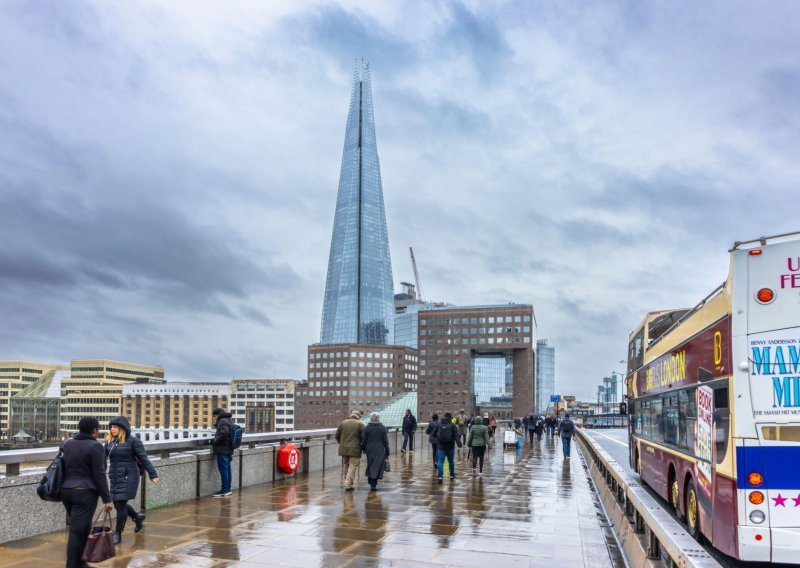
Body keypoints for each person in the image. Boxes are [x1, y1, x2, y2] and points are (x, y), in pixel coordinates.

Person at [60, 416, 113, 568]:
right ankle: (72, 565)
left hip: (66, 491)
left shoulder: (67, 443)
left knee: (82, 528)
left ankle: (81, 562)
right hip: (84, 493)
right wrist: (107, 499)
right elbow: (100, 474)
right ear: (94, 430)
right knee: (77, 530)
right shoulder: (95, 446)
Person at [105, 416, 159, 544]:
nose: (112, 429)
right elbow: (101, 458)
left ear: (122, 428)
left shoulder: (133, 441)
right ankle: (137, 518)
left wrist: (153, 474)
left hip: (129, 476)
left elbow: (144, 458)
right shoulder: (109, 442)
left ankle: (118, 532)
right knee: (119, 504)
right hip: (115, 476)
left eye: (115, 427)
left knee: (121, 503)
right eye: (111, 427)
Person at [335, 410, 364, 491]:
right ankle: (348, 484)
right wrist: (362, 446)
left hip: (344, 449)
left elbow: (337, 435)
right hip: (355, 449)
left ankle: (347, 482)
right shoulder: (359, 424)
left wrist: (341, 443)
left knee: (346, 465)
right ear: (358, 417)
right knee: (353, 466)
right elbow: (364, 437)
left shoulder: (343, 423)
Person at [361, 412, 390, 491]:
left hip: (369, 450)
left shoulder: (367, 428)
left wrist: (363, 448)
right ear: (378, 418)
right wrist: (387, 451)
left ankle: (371, 481)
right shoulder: (382, 428)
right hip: (380, 449)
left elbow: (364, 441)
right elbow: (385, 441)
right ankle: (373, 484)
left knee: (371, 464)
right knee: (376, 466)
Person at [211, 407, 235, 497]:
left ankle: (224, 490)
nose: (214, 418)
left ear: (217, 415)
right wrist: (216, 424)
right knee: (227, 470)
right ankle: (228, 489)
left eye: (214, 416)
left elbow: (224, 433)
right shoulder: (228, 420)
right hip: (228, 449)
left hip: (223, 450)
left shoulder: (222, 421)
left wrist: (215, 440)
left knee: (224, 471)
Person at [436, 412, 463, 483]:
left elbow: (434, 434)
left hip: (441, 447)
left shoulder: (439, 424)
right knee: (451, 461)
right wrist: (460, 444)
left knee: (440, 462)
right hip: (450, 447)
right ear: (450, 417)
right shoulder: (453, 425)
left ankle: (440, 477)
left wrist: (438, 440)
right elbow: (456, 436)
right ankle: (451, 475)